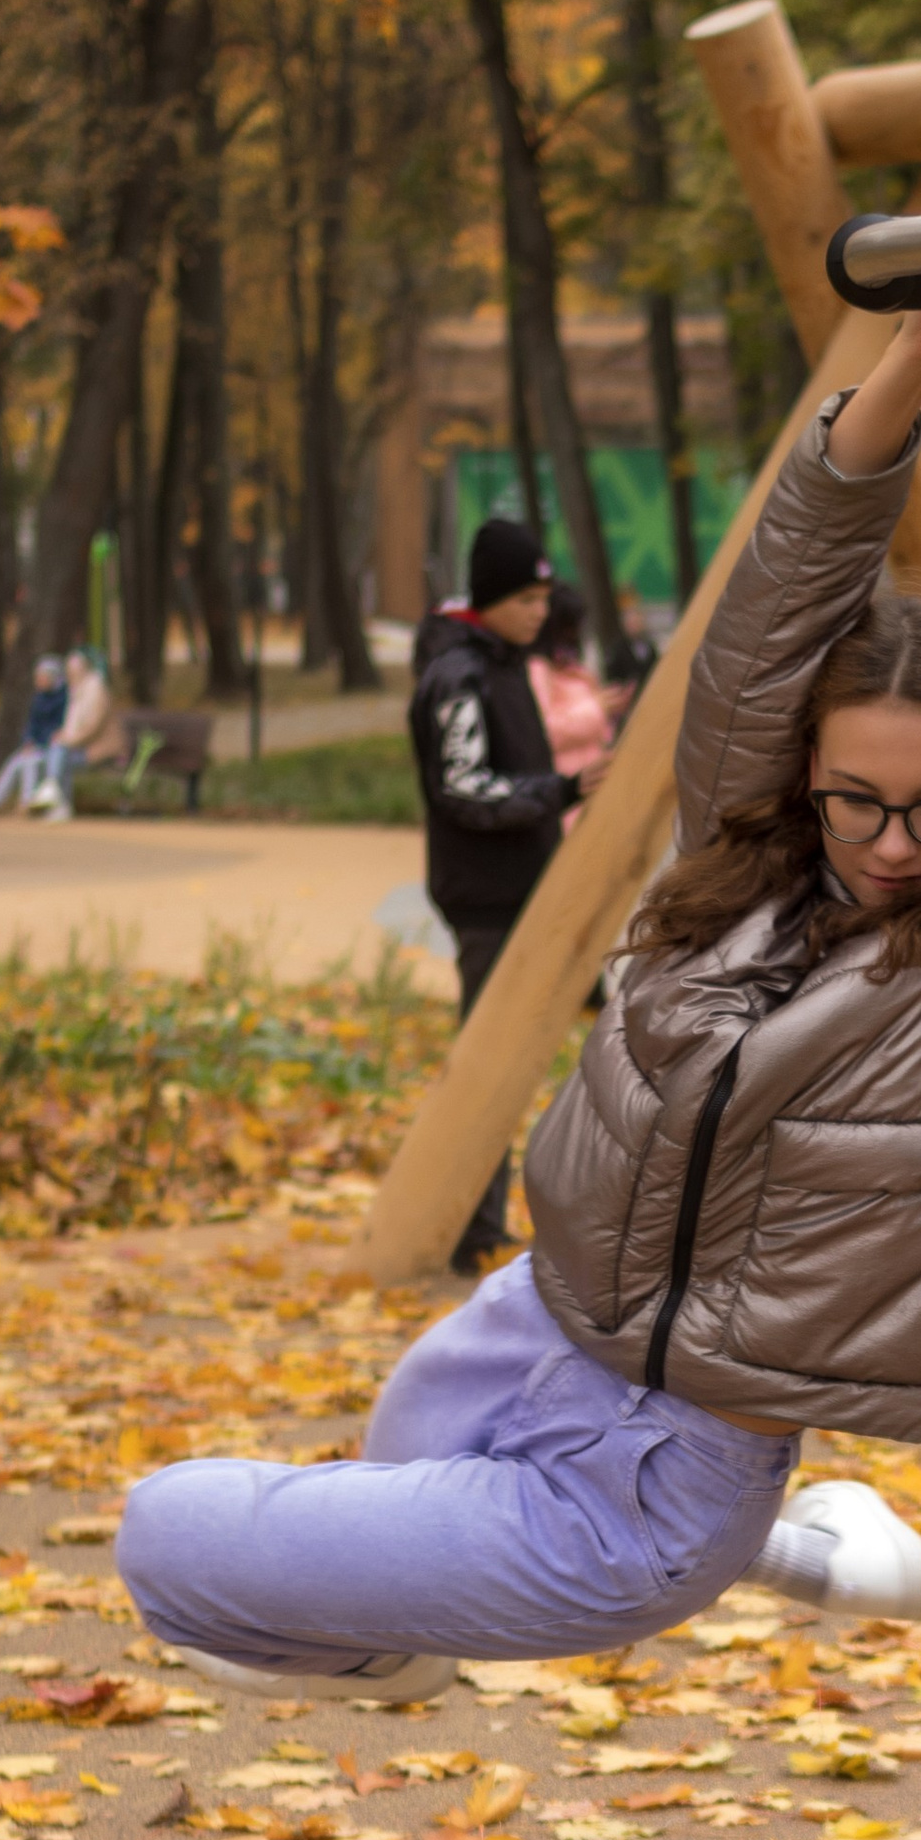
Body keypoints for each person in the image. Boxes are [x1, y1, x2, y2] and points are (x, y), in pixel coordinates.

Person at [113, 280, 921, 1706]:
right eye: (853, 799)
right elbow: (777, 604)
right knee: (370, 1502)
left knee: (167, 1538)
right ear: (803, 777)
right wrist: (913, 349)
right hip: (532, 1321)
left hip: (660, 1483)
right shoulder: (743, 861)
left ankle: (673, 1557)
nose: (886, 843)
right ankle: (778, 1558)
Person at [407, 518, 606, 1277]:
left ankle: (487, 1223)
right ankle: (472, 1229)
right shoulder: (458, 674)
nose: (538, 611)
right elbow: (464, 789)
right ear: (489, 598)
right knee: (489, 1063)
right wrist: (556, 790)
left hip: (524, 888)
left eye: (544, 595)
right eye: (525, 596)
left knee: (518, 1056)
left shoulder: (498, 660)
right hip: (488, 897)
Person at [526, 584, 629, 831]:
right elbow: (542, 731)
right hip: (567, 800)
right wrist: (596, 709)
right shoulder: (538, 669)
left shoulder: (567, 668)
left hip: (587, 793)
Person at [0, 656, 69, 817]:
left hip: (52, 747)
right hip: (36, 745)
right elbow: (31, 725)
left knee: (30, 762)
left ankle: (27, 803)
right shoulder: (38, 698)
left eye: (42, 677)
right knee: (15, 762)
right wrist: (28, 741)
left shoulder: (64, 698)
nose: (38, 681)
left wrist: (39, 743)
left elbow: (59, 727)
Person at [43, 645, 112, 816]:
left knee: (60, 752)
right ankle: (58, 801)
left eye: (72, 670)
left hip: (95, 748)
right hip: (76, 746)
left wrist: (68, 740)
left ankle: (55, 794)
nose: (69, 674)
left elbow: (92, 727)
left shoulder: (95, 689)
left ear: (83, 669)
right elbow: (72, 726)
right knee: (57, 751)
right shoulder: (76, 689)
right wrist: (63, 736)